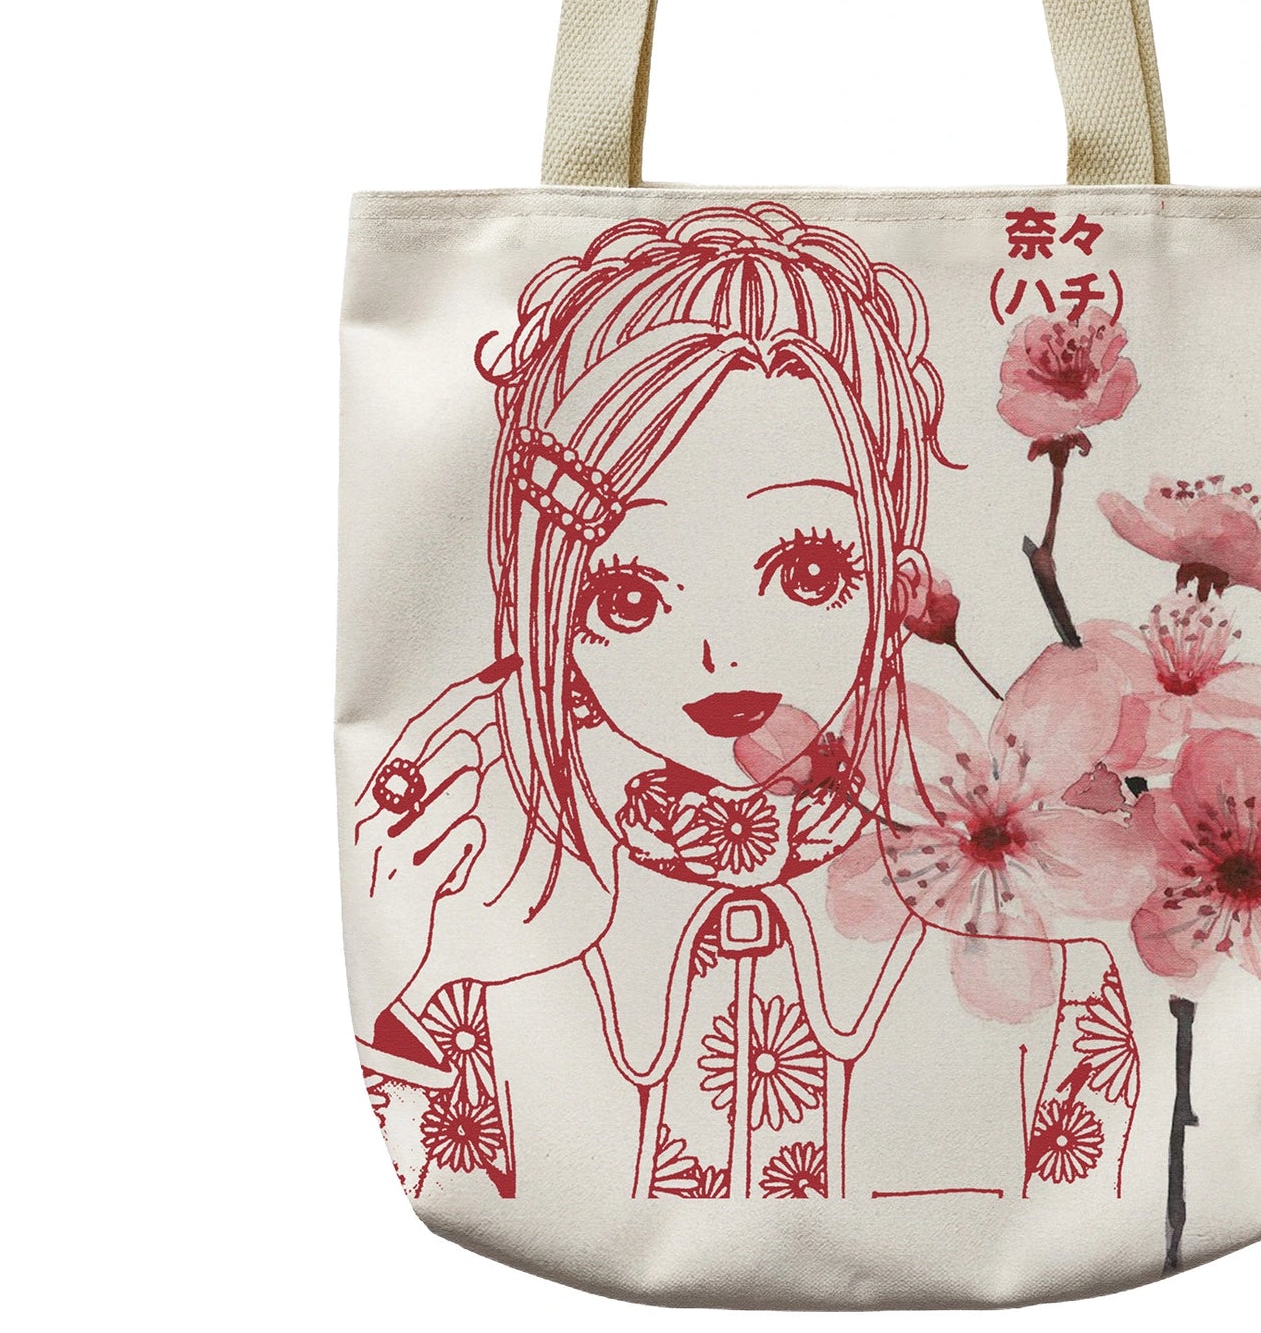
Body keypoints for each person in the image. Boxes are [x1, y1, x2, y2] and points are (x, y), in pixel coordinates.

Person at [348, 200, 1140, 1211]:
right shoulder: (474, 919)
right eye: (627, 597)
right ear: (547, 608)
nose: (719, 655)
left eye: (808, 572)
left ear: (896, 582)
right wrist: (411, 969)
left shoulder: (1060, 960)